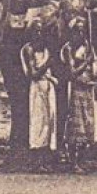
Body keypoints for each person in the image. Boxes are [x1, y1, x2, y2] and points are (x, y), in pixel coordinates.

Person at [59, 16, 97, 172]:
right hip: (75, 89)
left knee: (88, 123)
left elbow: (95, 66)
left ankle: (83, 160)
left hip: (87, 88)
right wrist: (86, 62)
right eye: (77, 30)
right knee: (75, 126)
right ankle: (73, 161)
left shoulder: (88, 46)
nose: (80, 33)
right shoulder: (68, 48)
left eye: (82, 30)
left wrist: (95, 71)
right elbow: (72, 73)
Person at [22, 24, 59, 168]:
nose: (38, 34)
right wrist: (47, 64)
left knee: (49, 122)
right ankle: (35, 160)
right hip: (37, 88)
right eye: (35, 31)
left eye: (40, 31)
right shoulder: (29, 50)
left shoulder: (46, 50)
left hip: (48, 88)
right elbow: (33, 74)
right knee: (37, 122)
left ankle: (44, 160)